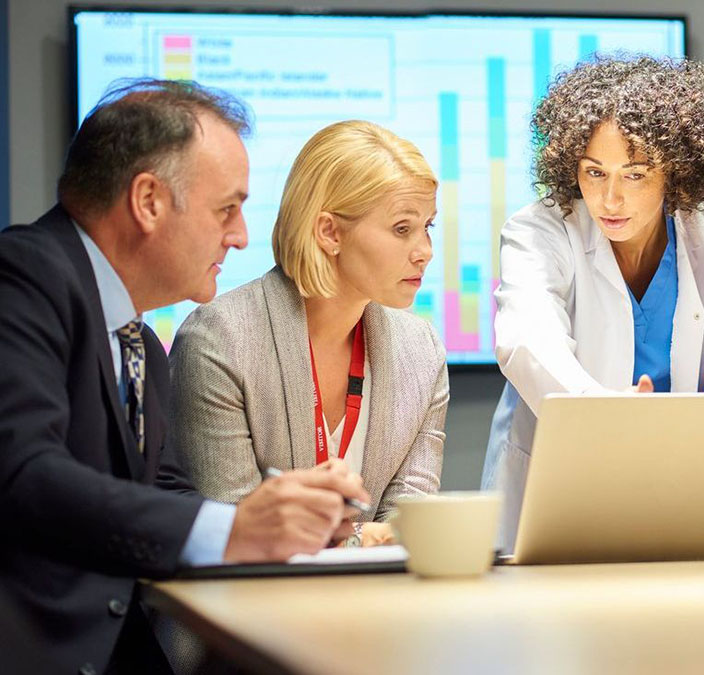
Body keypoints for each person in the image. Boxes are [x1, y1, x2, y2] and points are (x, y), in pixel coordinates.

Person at [0, 79, 370, 675]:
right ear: (148, 201)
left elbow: (162, 497)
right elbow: (23, 474)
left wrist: (293, 526)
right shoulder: (23, 276)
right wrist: (234, 527)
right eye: (227, 208)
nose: (241, 235)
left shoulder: (139, 339)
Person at [481, 56, 704, 551]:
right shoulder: (541, 230)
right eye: (594, 173)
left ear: (676, 172)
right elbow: (526, 342)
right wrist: (603, 416)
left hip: (693, 481)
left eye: (635, 175)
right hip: (563, 478)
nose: (610, 199)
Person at [170, 119, 447, 546]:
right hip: (243, 608)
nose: (424, 252)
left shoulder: (422, 351)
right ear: (329, 232)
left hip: (377, 607)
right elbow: (237, 537)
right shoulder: (220, 341)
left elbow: (408, 527)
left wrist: (358, 541)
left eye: (428, 227)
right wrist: (362, 540)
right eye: (402, 229)